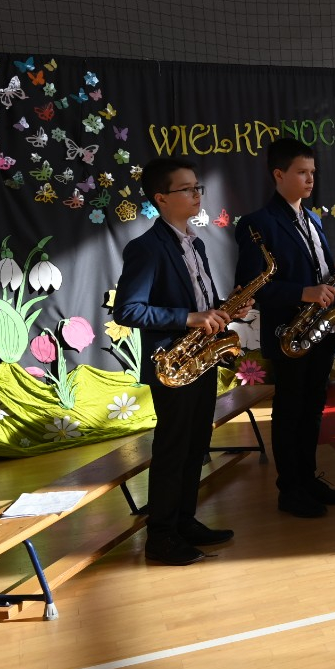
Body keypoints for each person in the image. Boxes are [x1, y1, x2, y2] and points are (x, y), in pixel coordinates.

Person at [115, 157, 247, 564]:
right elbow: (128, 310)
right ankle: (160, 536)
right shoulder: (145, 248)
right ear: (161, 198)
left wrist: (226, 309)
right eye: (186, 189)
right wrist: (190, 318)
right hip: (172, 365)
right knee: (173, 449)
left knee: (196, 446)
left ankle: (185, 521)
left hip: (200, 359)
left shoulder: (197, 244)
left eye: (197, 187)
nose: (196, 194)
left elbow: (200, 302)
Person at [235, 137, 335, 517]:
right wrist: (304, 292)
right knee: (290, 411)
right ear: (278, 174)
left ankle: (308, 478)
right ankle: (289, 489)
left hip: (319, 329)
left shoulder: (313, 218)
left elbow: (317, 271)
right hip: (288, 332)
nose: (310, 179)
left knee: (313, 407)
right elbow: (250, 285)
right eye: (302, 172)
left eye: (312, 172)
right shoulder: (258, 223)